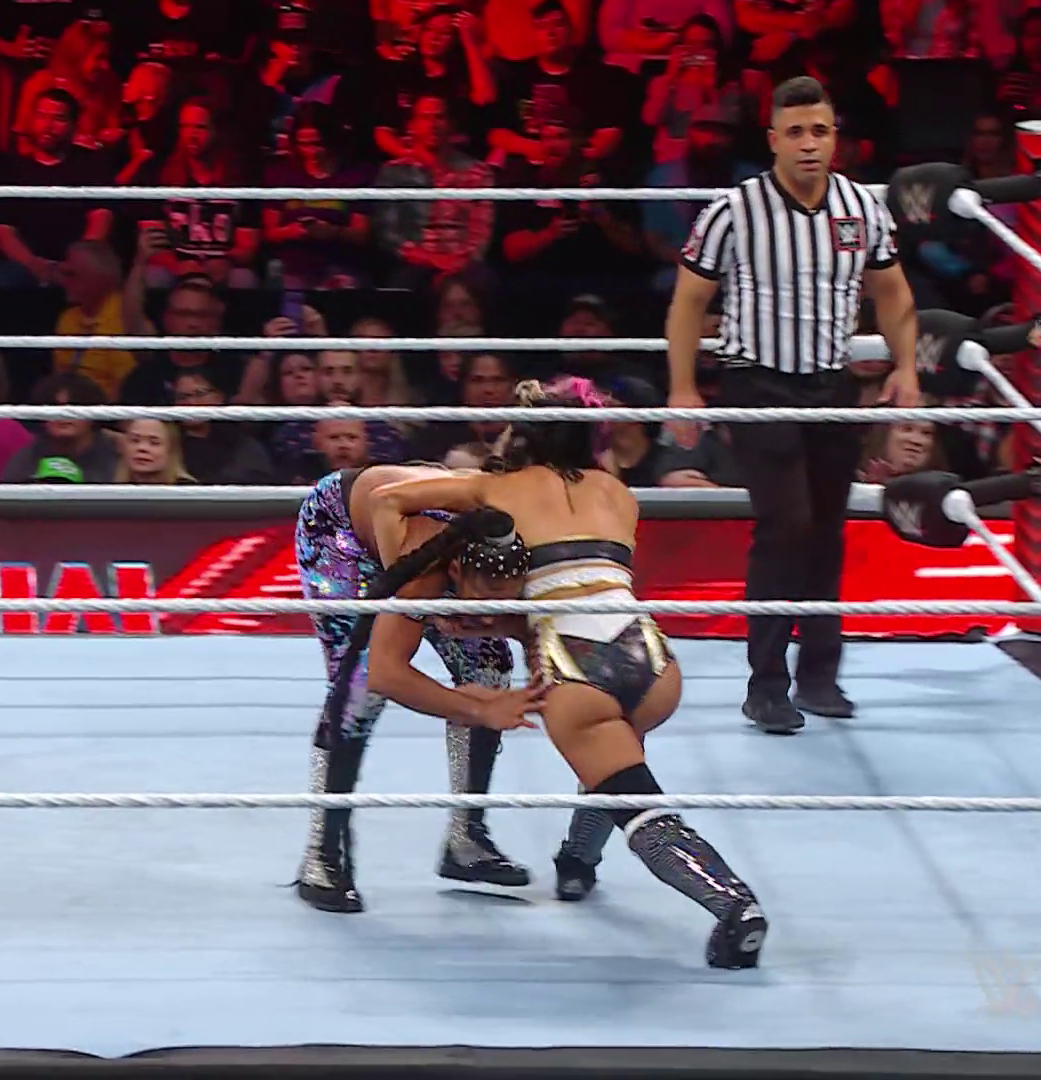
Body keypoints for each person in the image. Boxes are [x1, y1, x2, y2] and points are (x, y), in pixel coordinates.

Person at [371, 376, 769, 970]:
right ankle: (578, 862)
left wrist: (405, 586)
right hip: (652, 659)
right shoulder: (618, 492)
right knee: (614, 762)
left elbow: (386, 500)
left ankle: (734, 905)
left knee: (634, 800)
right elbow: (585, 575)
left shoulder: (492, 487)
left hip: (577, 668)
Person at [664, 75, 922, 736]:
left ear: (836, 138)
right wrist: (683, 387)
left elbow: (893, 294)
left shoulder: (861, 206)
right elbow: (689, 302)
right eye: (797, 132)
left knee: (828, 528)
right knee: (787, 526)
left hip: (830, 386)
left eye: (821, 131)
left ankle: (820, 676)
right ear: (774, 139)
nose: (810, 144)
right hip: (757, 384)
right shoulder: (733, 210)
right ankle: (766, 685)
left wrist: (906, 369)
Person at [293, 463, 542, 914]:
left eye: (501, 602)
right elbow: (387, 674)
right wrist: (477, 709)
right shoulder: (423, 568)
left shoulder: (519, 545)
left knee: (490, 667)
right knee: (358, 686)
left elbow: (522, 627)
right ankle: (321, 856)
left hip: (418, 530)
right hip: (341, 533)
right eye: (482, 602)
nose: (488, 616)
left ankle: (467, 838)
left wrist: (524, 644)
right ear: (456, 570)